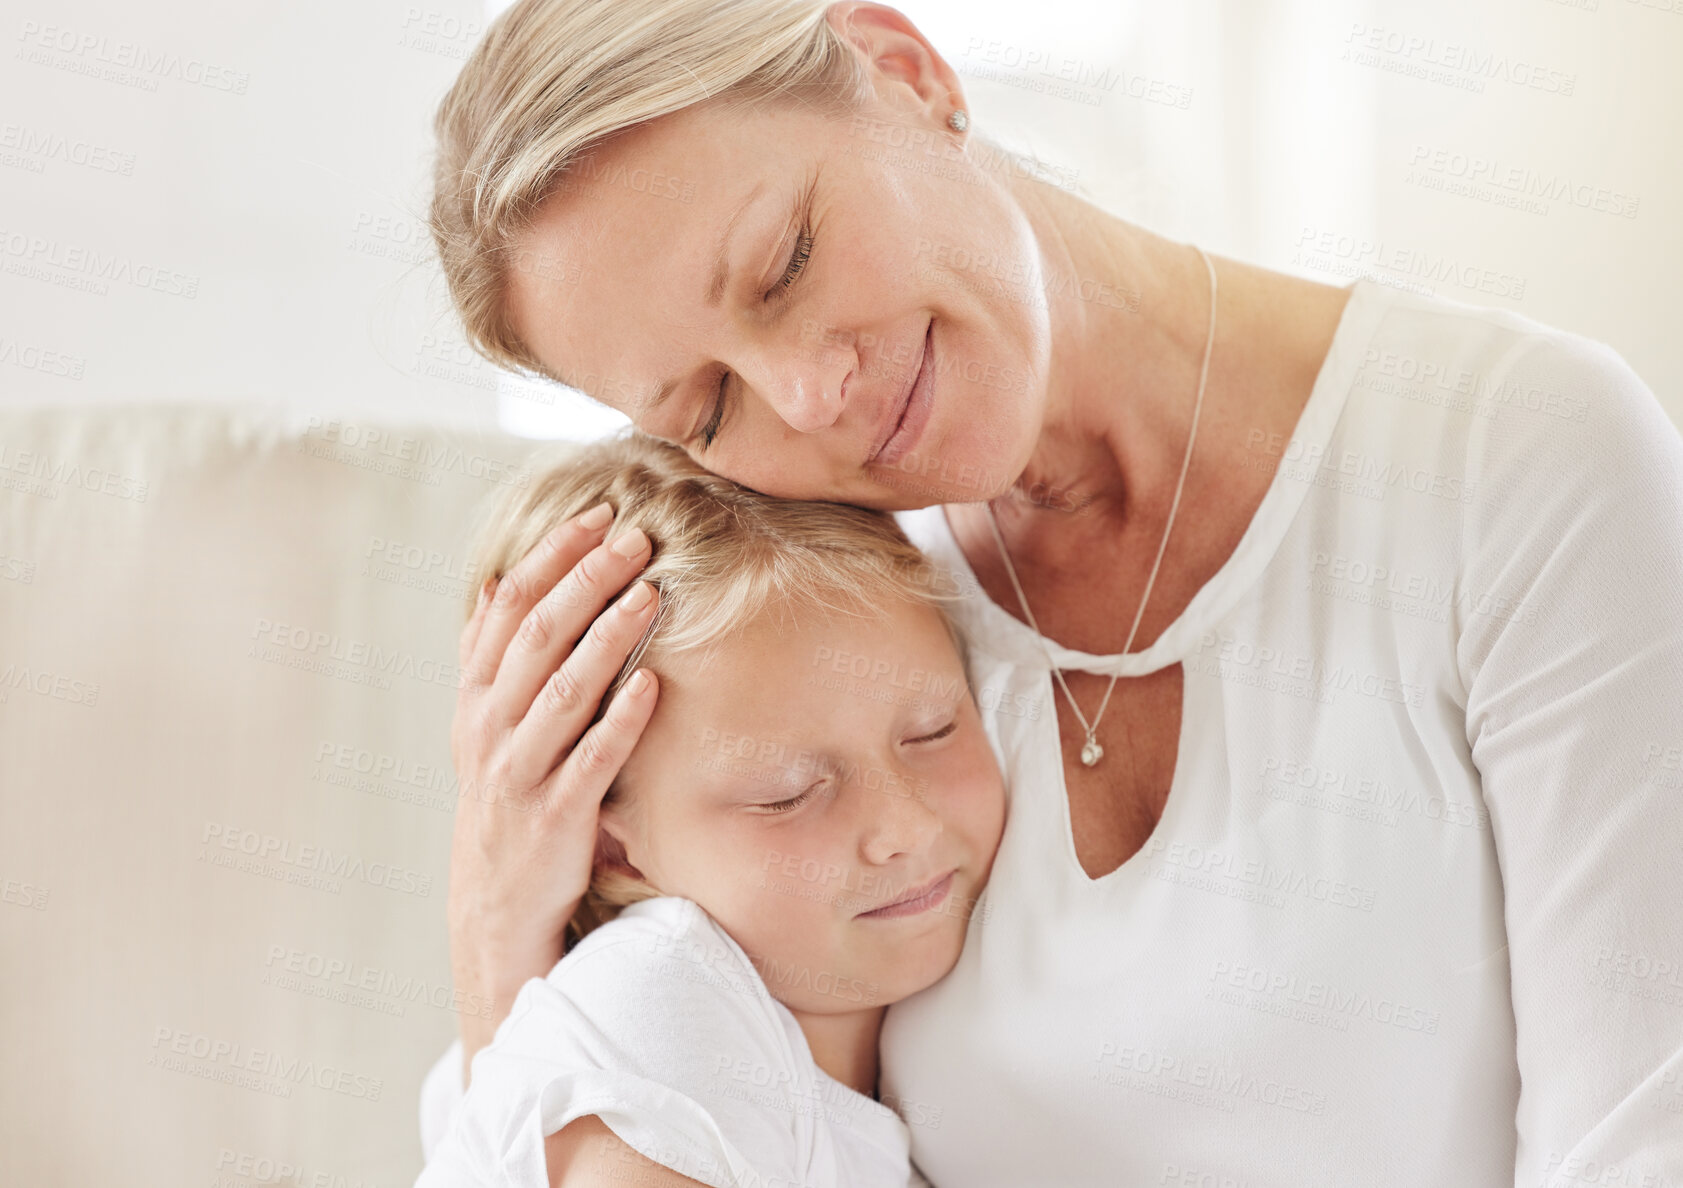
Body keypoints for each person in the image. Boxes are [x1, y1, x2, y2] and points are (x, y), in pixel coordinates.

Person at [423, 0, 1683, 1182]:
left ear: (903, 72)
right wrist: (501, 951)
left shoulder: (1513, 456)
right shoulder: (822, 620)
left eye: (786, 262)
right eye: (707, 407)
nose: (810, 398)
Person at [419, 433, 1003, 1186]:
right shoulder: (653, 1006)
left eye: (933, 731)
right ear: (611, 850)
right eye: (786, 794)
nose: (907, 828)